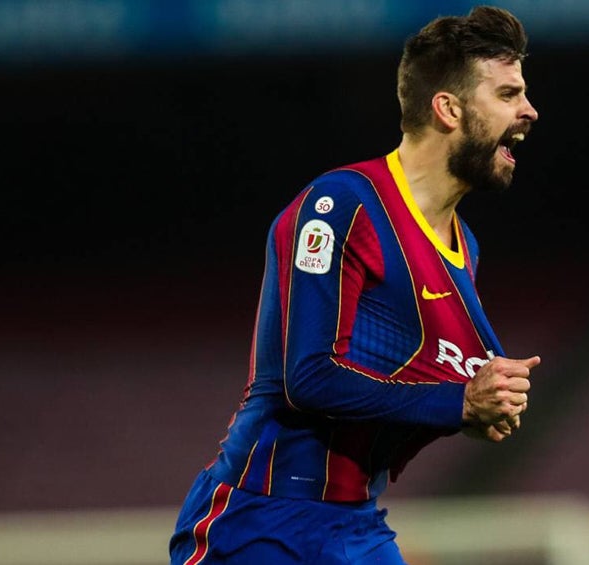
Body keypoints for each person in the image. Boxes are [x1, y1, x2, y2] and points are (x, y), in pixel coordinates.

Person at [169, 5, 541, 564]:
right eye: (509, 94)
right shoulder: (344, 205)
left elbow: (406, 384)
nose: (530, 111)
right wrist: (460, 402)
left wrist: (481, 404)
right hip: (261, 524)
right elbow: (308, 378)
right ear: (448, 108)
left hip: (355, 527)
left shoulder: (465, 245)